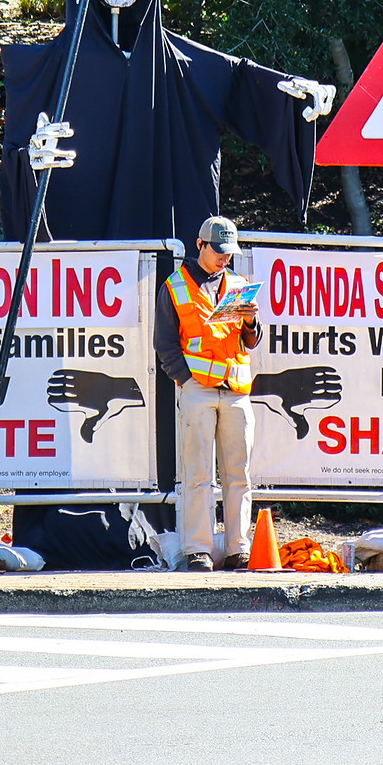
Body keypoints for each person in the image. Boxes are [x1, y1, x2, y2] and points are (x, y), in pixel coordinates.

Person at [156, 215, 263, 571]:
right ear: (199, 245)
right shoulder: (175, 286)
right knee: (198, 474)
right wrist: (186, 382)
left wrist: (251, 321)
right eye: (218, 251)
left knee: (239, 474)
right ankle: (198, 550)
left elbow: (250, 340)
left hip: (235, 391)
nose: (224, 258)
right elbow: (166, 344)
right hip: (198, 390)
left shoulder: (238, 284)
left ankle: (237, 548)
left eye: (229, 252)